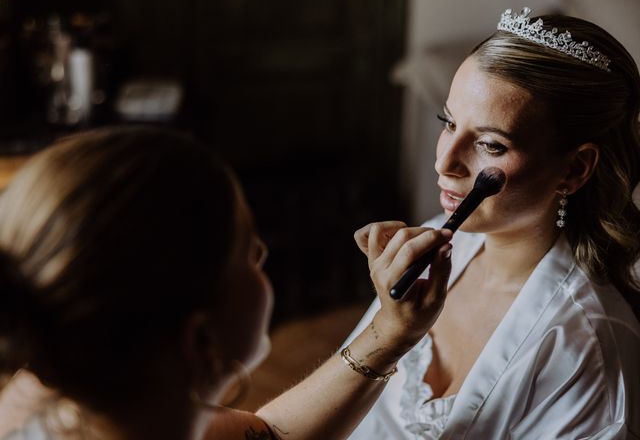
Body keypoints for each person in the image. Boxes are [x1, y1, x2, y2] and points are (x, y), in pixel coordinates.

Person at [0, 126, 454, 439]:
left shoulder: (56, 386)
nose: (262, 253)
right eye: (245, 252)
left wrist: (392, 333)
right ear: (199, 339)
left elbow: (272, 436)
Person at [344, 7, 640, 439]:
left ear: (575, 169)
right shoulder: (435, 247)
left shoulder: (586, 348)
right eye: (449, 122)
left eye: (490, 144)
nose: (445, 163)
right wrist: (385, 330)